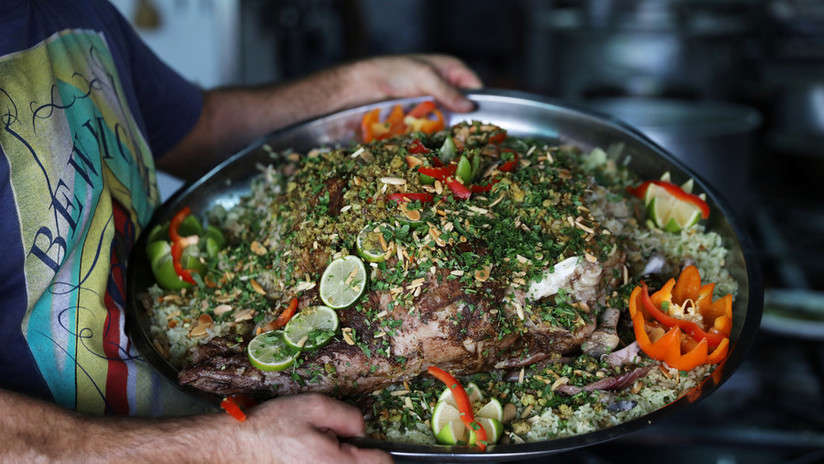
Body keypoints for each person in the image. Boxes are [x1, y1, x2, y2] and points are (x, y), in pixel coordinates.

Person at [0, 1, 482, 462]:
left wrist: (360, 83)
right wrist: (226, 447)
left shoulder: (76, 12)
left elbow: (199, 126)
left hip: (214, 387)